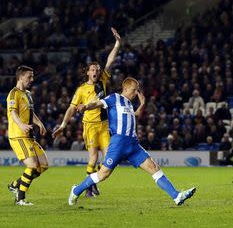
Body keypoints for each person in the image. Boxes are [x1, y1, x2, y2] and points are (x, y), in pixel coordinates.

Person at [68, 77, 196, 206]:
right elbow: (97, 103)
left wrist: (143, 104)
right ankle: (76, 191)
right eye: (134, 90)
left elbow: (135, 115)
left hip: (133, 144)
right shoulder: (114, 98)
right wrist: (85, 106)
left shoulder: (129, 104)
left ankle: (176, 196)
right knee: (103, 175)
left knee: (154, 167)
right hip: (119, 142)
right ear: (126, 88)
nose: (136, 93)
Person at [53, 27, 121, 197]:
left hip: (105, 125)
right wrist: (63, 124)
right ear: (88, 72)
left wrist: (118, 43)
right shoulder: (82, 90)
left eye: (98, 69)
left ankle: (93, 181)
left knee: (109, 161)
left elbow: (110, 61)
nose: (96, 71)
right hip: (90, 126)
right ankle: (89, 188)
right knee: (92, 158)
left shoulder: (104, 79)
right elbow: (71, 108)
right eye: (93, 69)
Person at [7, 66, 49, 205]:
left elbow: (31, 113)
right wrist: (21, 125)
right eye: (29, 77)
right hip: (18, 136)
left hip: (29, 136)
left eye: (32, 76)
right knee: (31, 166)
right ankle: (20, 198)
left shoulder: (28, 94)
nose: (32, 79)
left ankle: (15, 185)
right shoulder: (14, 94)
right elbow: (13, 113)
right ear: (20, 77)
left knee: (43, 165)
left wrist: (40, 123)